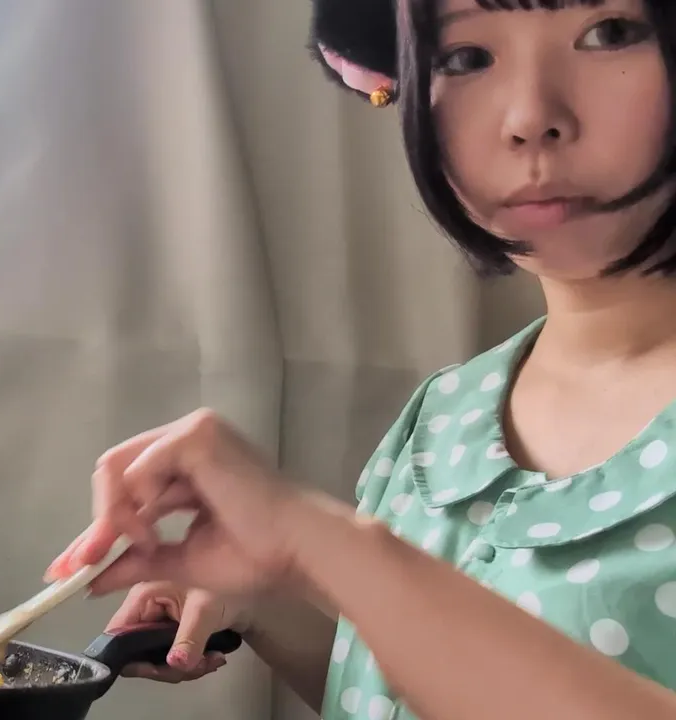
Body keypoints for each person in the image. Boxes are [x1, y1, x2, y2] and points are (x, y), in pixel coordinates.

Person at [43, 0, 676, 718]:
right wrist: (266, 599)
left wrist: (325, 547)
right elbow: (383, 694)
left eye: (611, 32)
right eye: (464, 58)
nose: (529, 116)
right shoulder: (447, 411)